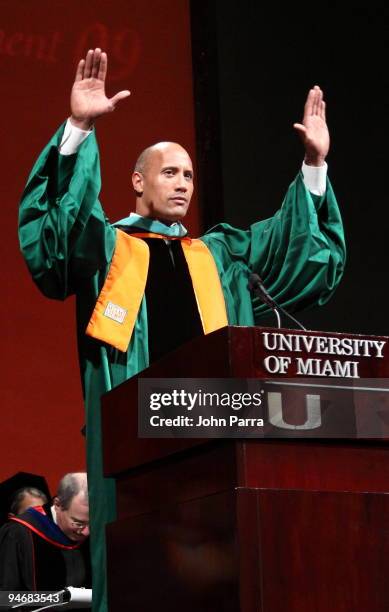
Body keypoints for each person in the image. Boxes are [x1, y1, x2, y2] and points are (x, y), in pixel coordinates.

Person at [18, 48, 345, 612]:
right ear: (138, 180)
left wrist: (314, 167)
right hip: (135, 440)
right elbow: (54, 235)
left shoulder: (218, 255)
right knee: (140, 571)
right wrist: (78, 127)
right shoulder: (106, 247)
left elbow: (298, 256)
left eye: (190, 174)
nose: (184, 184)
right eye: (170, 172)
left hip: (213, 431)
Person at [0, 472, 91, 592]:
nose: (86, 532)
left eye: (90, 524)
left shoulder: (93, 533)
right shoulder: (18, 532)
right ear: (58, 504)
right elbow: (6, 596)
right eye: (78, 523)